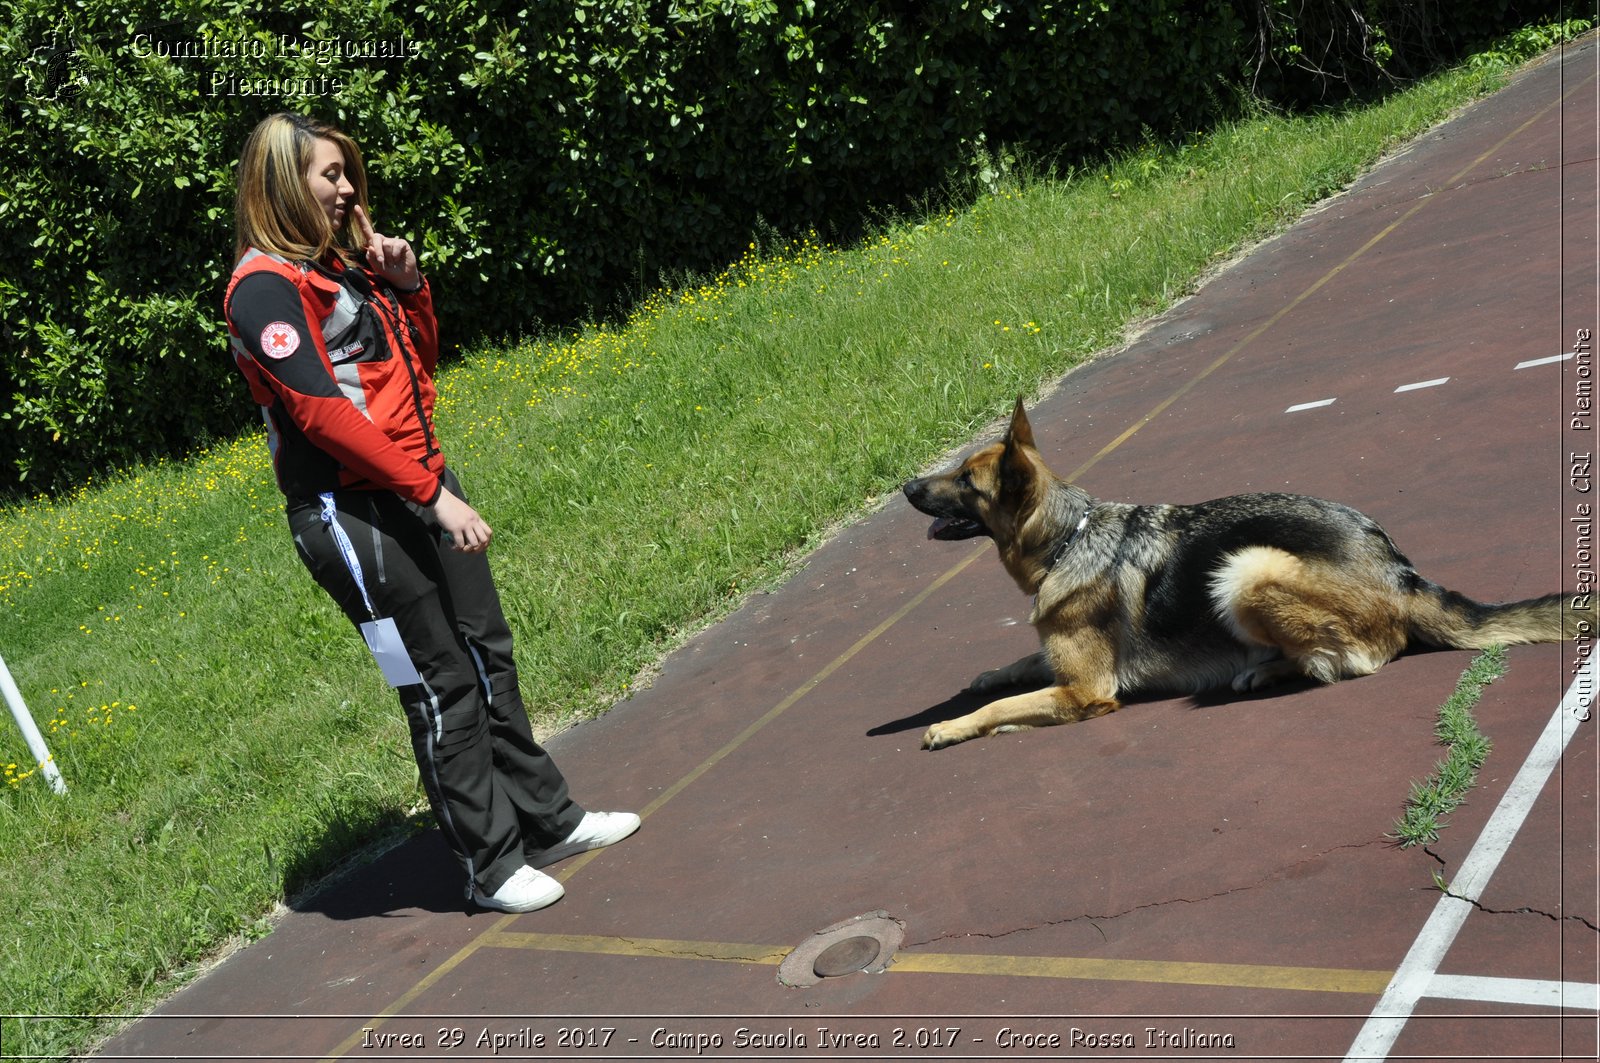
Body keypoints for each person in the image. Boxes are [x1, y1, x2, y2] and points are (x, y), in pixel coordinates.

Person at [223, 111, 637, 913]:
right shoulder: (264, 287)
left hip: (418, 480)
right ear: (282, 183)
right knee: (439, 679)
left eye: (348, 174)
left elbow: (413, 366)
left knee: (489, 653)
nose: (347, 190)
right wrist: (431, 496)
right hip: (349, 514)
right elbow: (319, 413)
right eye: (329, 176)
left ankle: (548, 818)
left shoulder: (346, 268)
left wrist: (409, 284)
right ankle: (489, 863)